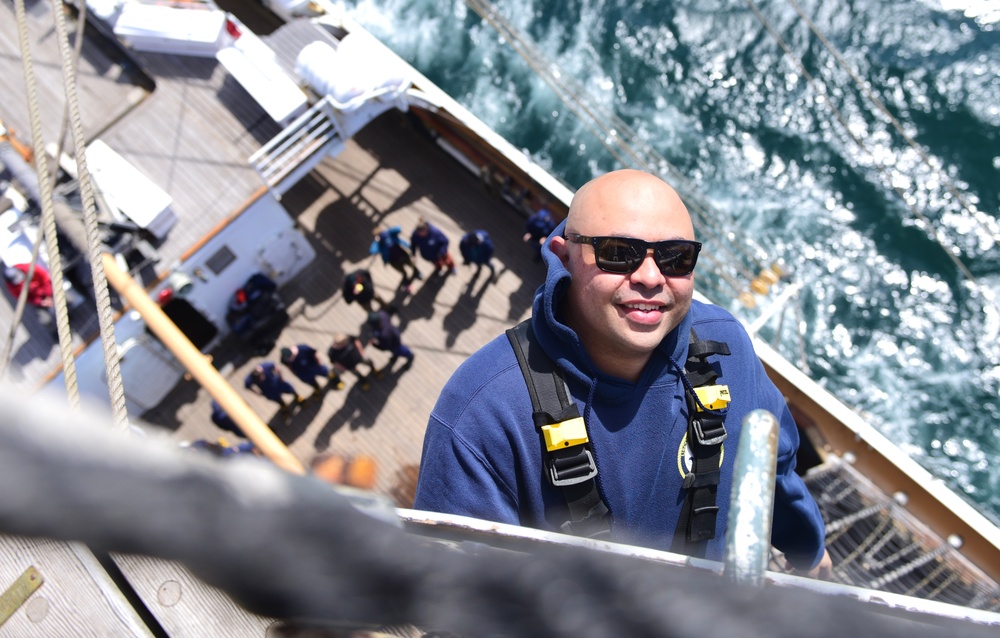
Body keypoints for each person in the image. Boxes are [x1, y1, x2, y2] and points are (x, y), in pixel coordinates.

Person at [413, 169, 832, 577]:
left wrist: (808, 552)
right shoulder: (481, 416)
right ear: (563, 256)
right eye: (617, 253)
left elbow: (772, 471)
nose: (650, 277)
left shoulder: (729, 347)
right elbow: (461, 603)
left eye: (675, 257)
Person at [3, 262, 57, 332]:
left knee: (69, 301)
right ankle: (54, 332)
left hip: (49, 290)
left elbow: (45, 279)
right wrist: (40, 302)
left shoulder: (30, 268)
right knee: (45, 320)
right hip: (38, 300)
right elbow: (25, 299)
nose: (20, 281)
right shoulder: (12, 287)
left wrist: (48, 295)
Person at [370, 225, 421, 292]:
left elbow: (398, 228)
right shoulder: (380, 244)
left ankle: (417, 273)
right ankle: (406, 280)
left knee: (412, 265)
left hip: (403, 254)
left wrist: (387, 232)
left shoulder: (390, 235)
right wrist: (377, 241)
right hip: (394, 261)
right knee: (403, 271)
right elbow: (373, 251)